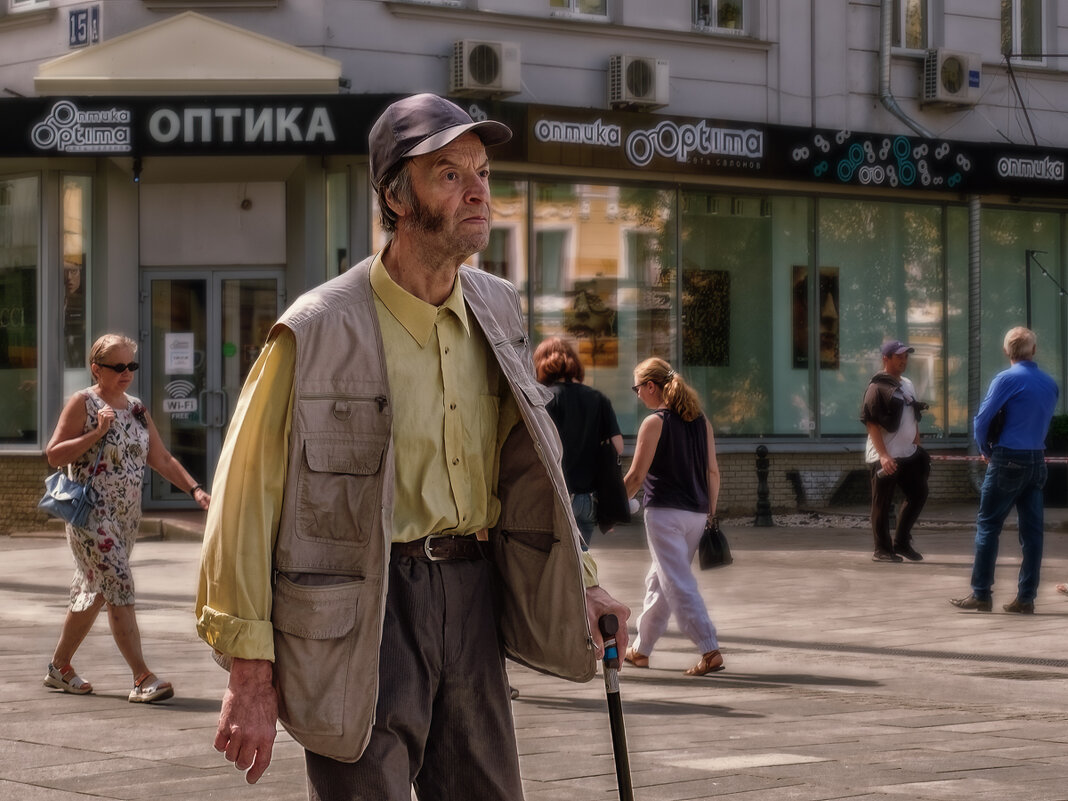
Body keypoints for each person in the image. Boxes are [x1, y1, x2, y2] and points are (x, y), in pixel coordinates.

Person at [194, 93, 629, 799]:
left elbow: (531, 466)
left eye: (482, 172)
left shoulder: (497, 308)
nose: (478, 190)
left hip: (472, 591)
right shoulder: (317, 328)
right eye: (450, 174)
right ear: (396, 195)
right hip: (366, 604)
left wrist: (581, 580)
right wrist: (250, 671)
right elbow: (245, 503)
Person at [43, 333, 210, 703]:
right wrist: (97, 432)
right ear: (96, 368)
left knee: (97, 591)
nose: (126, 373)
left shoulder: (135, 408)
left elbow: (162, 459)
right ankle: (141, 676)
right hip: (91, 516)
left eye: (131, 366)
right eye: (118, 367)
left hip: (125, 519)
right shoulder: (83, 403)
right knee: (119, 584)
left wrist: (195, 489)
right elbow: (54, 455)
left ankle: (60, 666)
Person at [621, 357, 724, 676]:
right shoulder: (701, 422)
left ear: (651, 387)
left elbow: (636, 476)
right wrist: (711, 513)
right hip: (696, 513)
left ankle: (709, 649)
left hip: (664, 513)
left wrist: (611, 507)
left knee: (676, 581)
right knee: (660, 580)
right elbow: (713, 472)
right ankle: (641, 650)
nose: (637, 394)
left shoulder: (654, 423)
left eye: (637, 388)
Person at [951, 326, 1059, 614]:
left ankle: (981, 593)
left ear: (1006, 352)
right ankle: (1026, 597)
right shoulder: (1050, 384)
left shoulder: (1006, 379)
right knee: (1033, 533)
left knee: (988, 525)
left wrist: (986, 450)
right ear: (1033, 350)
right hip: (1037, 459)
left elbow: (981, 420)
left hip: (1008, 457)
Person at [534, 336, 624, 549]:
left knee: (555, 569)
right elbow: (618, 446)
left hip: (557, 496)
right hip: (588, 500)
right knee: (581, 566)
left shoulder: (545, 399)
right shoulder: (598, 399)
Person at [860, 339, 930, 562]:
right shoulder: (876, 387)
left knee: (918, 493)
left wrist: (916, 439)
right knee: (882, 502)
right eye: (899, 356)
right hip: (886, 455)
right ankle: (882, 549)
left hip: (908, 453)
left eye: (906, 356)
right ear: (886, 359)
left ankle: (900, 543)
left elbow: (912, 413)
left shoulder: (907, 384)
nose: (904, 360)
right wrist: (883, 455)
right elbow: (871, 423)